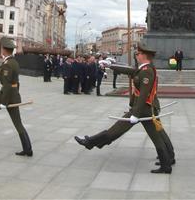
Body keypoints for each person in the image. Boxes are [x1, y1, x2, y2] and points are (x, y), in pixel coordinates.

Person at [74, 40, 174, 173]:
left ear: (144, 55)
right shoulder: (144, 68)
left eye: (137, 53)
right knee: (159, 134)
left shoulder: (146, 71)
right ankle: (169, 159)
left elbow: (144, 94)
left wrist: (135, 114)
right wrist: (111, 65)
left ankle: (90, 143)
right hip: (147, 109)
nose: (136, 55)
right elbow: (129, 70)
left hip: (144, 109)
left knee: (117, 130)